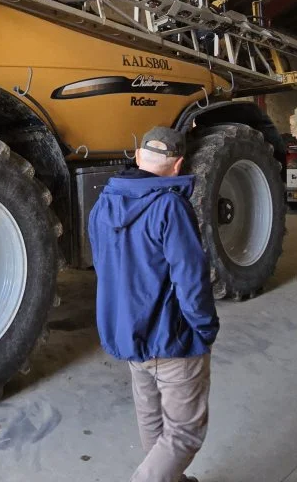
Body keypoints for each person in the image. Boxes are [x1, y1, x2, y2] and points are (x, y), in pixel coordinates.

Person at [88, 126, 217, 482]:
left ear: (137, 157)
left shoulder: (103, 203)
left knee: (152, 418)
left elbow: (105, 268)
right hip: (172, 341)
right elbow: (191, 278)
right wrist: (204, 328)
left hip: (129, 336)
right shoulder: (170, 207)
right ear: (177, 167)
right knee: (184, 432)